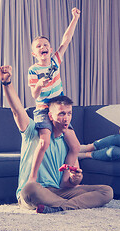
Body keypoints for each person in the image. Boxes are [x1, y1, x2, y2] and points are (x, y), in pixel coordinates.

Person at [0, 65, 113, 214]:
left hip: (58, 192)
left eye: (69, 114)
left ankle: (60, 208)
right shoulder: (33, 131)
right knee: (30, 188)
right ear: (50, 116)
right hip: (35, 192)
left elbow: (69, 184)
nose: (66, 118)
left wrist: (76, 178)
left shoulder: (70, 144)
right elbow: (16, 111)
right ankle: (69, 206)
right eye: (61, 114)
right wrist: (7, 83)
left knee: (107, 191)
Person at [28, 8, 81, 185]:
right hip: (44, 109)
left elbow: (66, 40)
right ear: (34, 53)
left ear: (50, 49)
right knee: (44, 142)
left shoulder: (55, 60)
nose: (43, 47)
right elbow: (34, 95)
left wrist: (74, 19)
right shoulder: (33, 70)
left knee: (75, 146)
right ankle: (33, 177)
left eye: (45, 45)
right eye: (39, 46)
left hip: (59, 108)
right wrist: (39, 85)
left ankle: (64, 182)